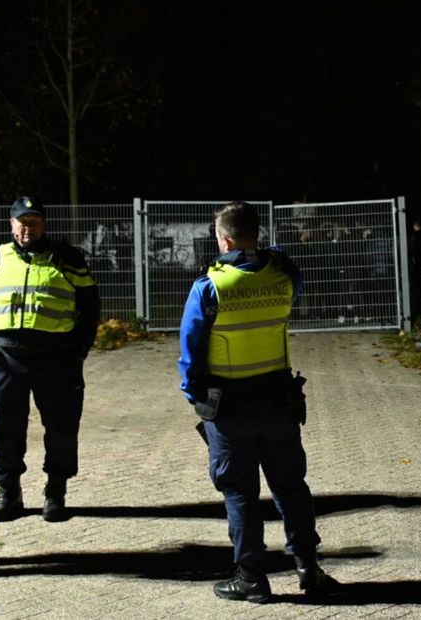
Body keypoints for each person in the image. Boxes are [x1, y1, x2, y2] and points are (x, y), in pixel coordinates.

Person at [178, 202, 338, 603]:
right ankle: (309, 567)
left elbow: (189, 353)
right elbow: (293, 278)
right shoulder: (283, 275)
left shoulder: (209, 288)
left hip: (230, 410)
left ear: (224, 239)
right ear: (257, 235)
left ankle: (251, 577)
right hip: (279, 402)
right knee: (291, 487)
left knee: (240, 493)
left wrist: (196, 397)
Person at [0, 197, 101, 523]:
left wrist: (80, 348)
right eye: (22, 222)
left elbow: (90, 305)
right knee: (5, 428)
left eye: (34, 221)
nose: (28, 227)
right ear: (12, 225)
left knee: (61, 428)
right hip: (5, 358)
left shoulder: (67, 257)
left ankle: (56, 491)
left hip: (57, 359)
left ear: (44, 224)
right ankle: (9, 492)